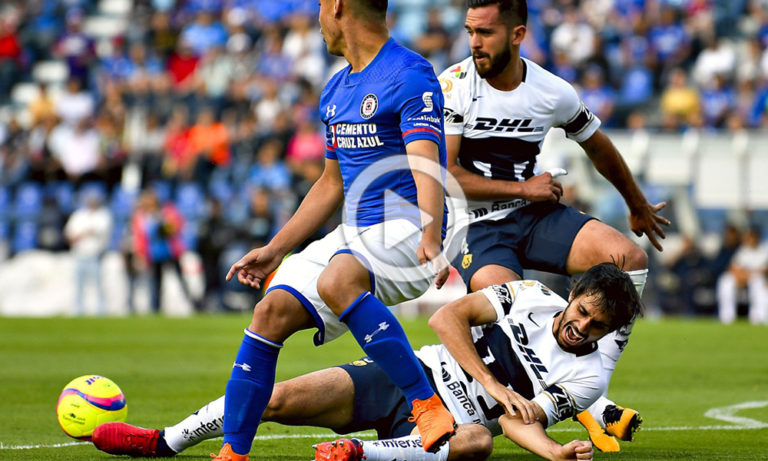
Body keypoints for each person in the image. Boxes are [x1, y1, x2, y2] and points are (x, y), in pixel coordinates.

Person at [207, 0, 455, 458]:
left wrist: (431, 233)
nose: (318, 18)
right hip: (356, 233)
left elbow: (426, 162)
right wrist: (276, 248)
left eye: (321, 5)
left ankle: (426, 403)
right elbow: (331, 182)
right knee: (270, 310)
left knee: (337, 279)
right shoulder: (336, 89)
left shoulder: (410, 72)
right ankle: (233, 453)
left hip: (410, 222)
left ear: (338, 6)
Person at [91, 262, 641, 461]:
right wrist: (493, 385)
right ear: (574, 294)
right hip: (412, 379)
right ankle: (165, 441)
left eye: (598, 327)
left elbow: (522, 423)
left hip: (453, 423)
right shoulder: (527, 296)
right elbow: (446, 320)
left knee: (477, 443)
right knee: (278, 398)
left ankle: (358, 452)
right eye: (584, 311)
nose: (582, 327)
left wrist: (551, 452)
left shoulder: (590, 378)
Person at [437, 0, 669, 451]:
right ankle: (596, 410)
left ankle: (593, 385)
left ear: (517, 34)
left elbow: (597, 145)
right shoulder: (454, 86)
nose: (474, 43)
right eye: (470, 31)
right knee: (508, 314)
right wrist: (525, 190)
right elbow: (445, 176)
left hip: (533, 216)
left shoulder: (551, 90)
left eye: (485, 33)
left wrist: (636, 202)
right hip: (476, 225)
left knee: (630, 258)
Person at [64, 192, 113, 316]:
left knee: (98, 286)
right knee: (78, 286)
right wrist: (83, 234)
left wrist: (81, 234)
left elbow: (96, 231)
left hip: (95, 256)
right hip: (79, 255)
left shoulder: (103, 215)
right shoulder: (78, 215)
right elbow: (69, 234)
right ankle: (78, 310)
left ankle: (100, 310)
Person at [716, 225, 768, 324]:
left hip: (757, 278)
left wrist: (747, 276)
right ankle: (727, 315)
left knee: (758, 281)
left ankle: (757, 316)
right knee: (725, 280)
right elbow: (733, 267)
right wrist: (741, 277)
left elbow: (764, 270)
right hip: (743, 277)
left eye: (752, 237)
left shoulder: (764, 250)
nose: (750, 240)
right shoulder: (743, 250)